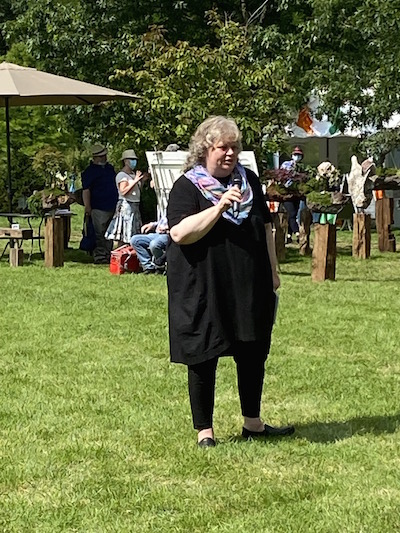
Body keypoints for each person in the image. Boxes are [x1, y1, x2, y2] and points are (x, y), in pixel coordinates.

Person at [166, 116, 295, 447]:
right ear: (205, 149)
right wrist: (220, 205)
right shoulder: (187, 186)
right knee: (203, 353)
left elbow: (266, 228)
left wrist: (273, 269)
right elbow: (180, 233)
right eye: (222, 147)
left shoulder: (248, 180)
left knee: (252, 351)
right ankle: (204, 431)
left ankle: (253, 423)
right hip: (204, 286)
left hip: (249, 284)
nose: (229, 153)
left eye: (234, 147)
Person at [82, 144, 118, 264]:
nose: (104, 158)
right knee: (100, 233)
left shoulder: (110, 168)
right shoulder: (89, 171)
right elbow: (86, 190)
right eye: (101, 156)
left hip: (112, 205)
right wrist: (88, 206)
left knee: (110, 232)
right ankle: (100, 255)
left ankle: (108, 254)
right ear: (96, 157)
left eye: (104, 155)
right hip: (98, 207)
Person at [105, 149, 148, 245]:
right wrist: (135, 181)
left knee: (132, 232)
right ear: (125, 161)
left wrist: (142, 181)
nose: (134, 162)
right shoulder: (122, 175)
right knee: (124, 233)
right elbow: (123, 191)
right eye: (131, 159)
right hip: (126, 206)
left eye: (134, 159)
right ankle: (121, 256)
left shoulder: (132, 175)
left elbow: (136, 191)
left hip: (135, 206)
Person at [281, 146, 304, 244]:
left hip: (296, 194)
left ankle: (289, 236)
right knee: (292, 214)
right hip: (286, 194)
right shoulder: (286, 164)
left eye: (299, 155)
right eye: (295, 155)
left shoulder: (302, 168)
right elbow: (283, 177)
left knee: (293, 215)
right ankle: (297, 233)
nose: (297, 157)